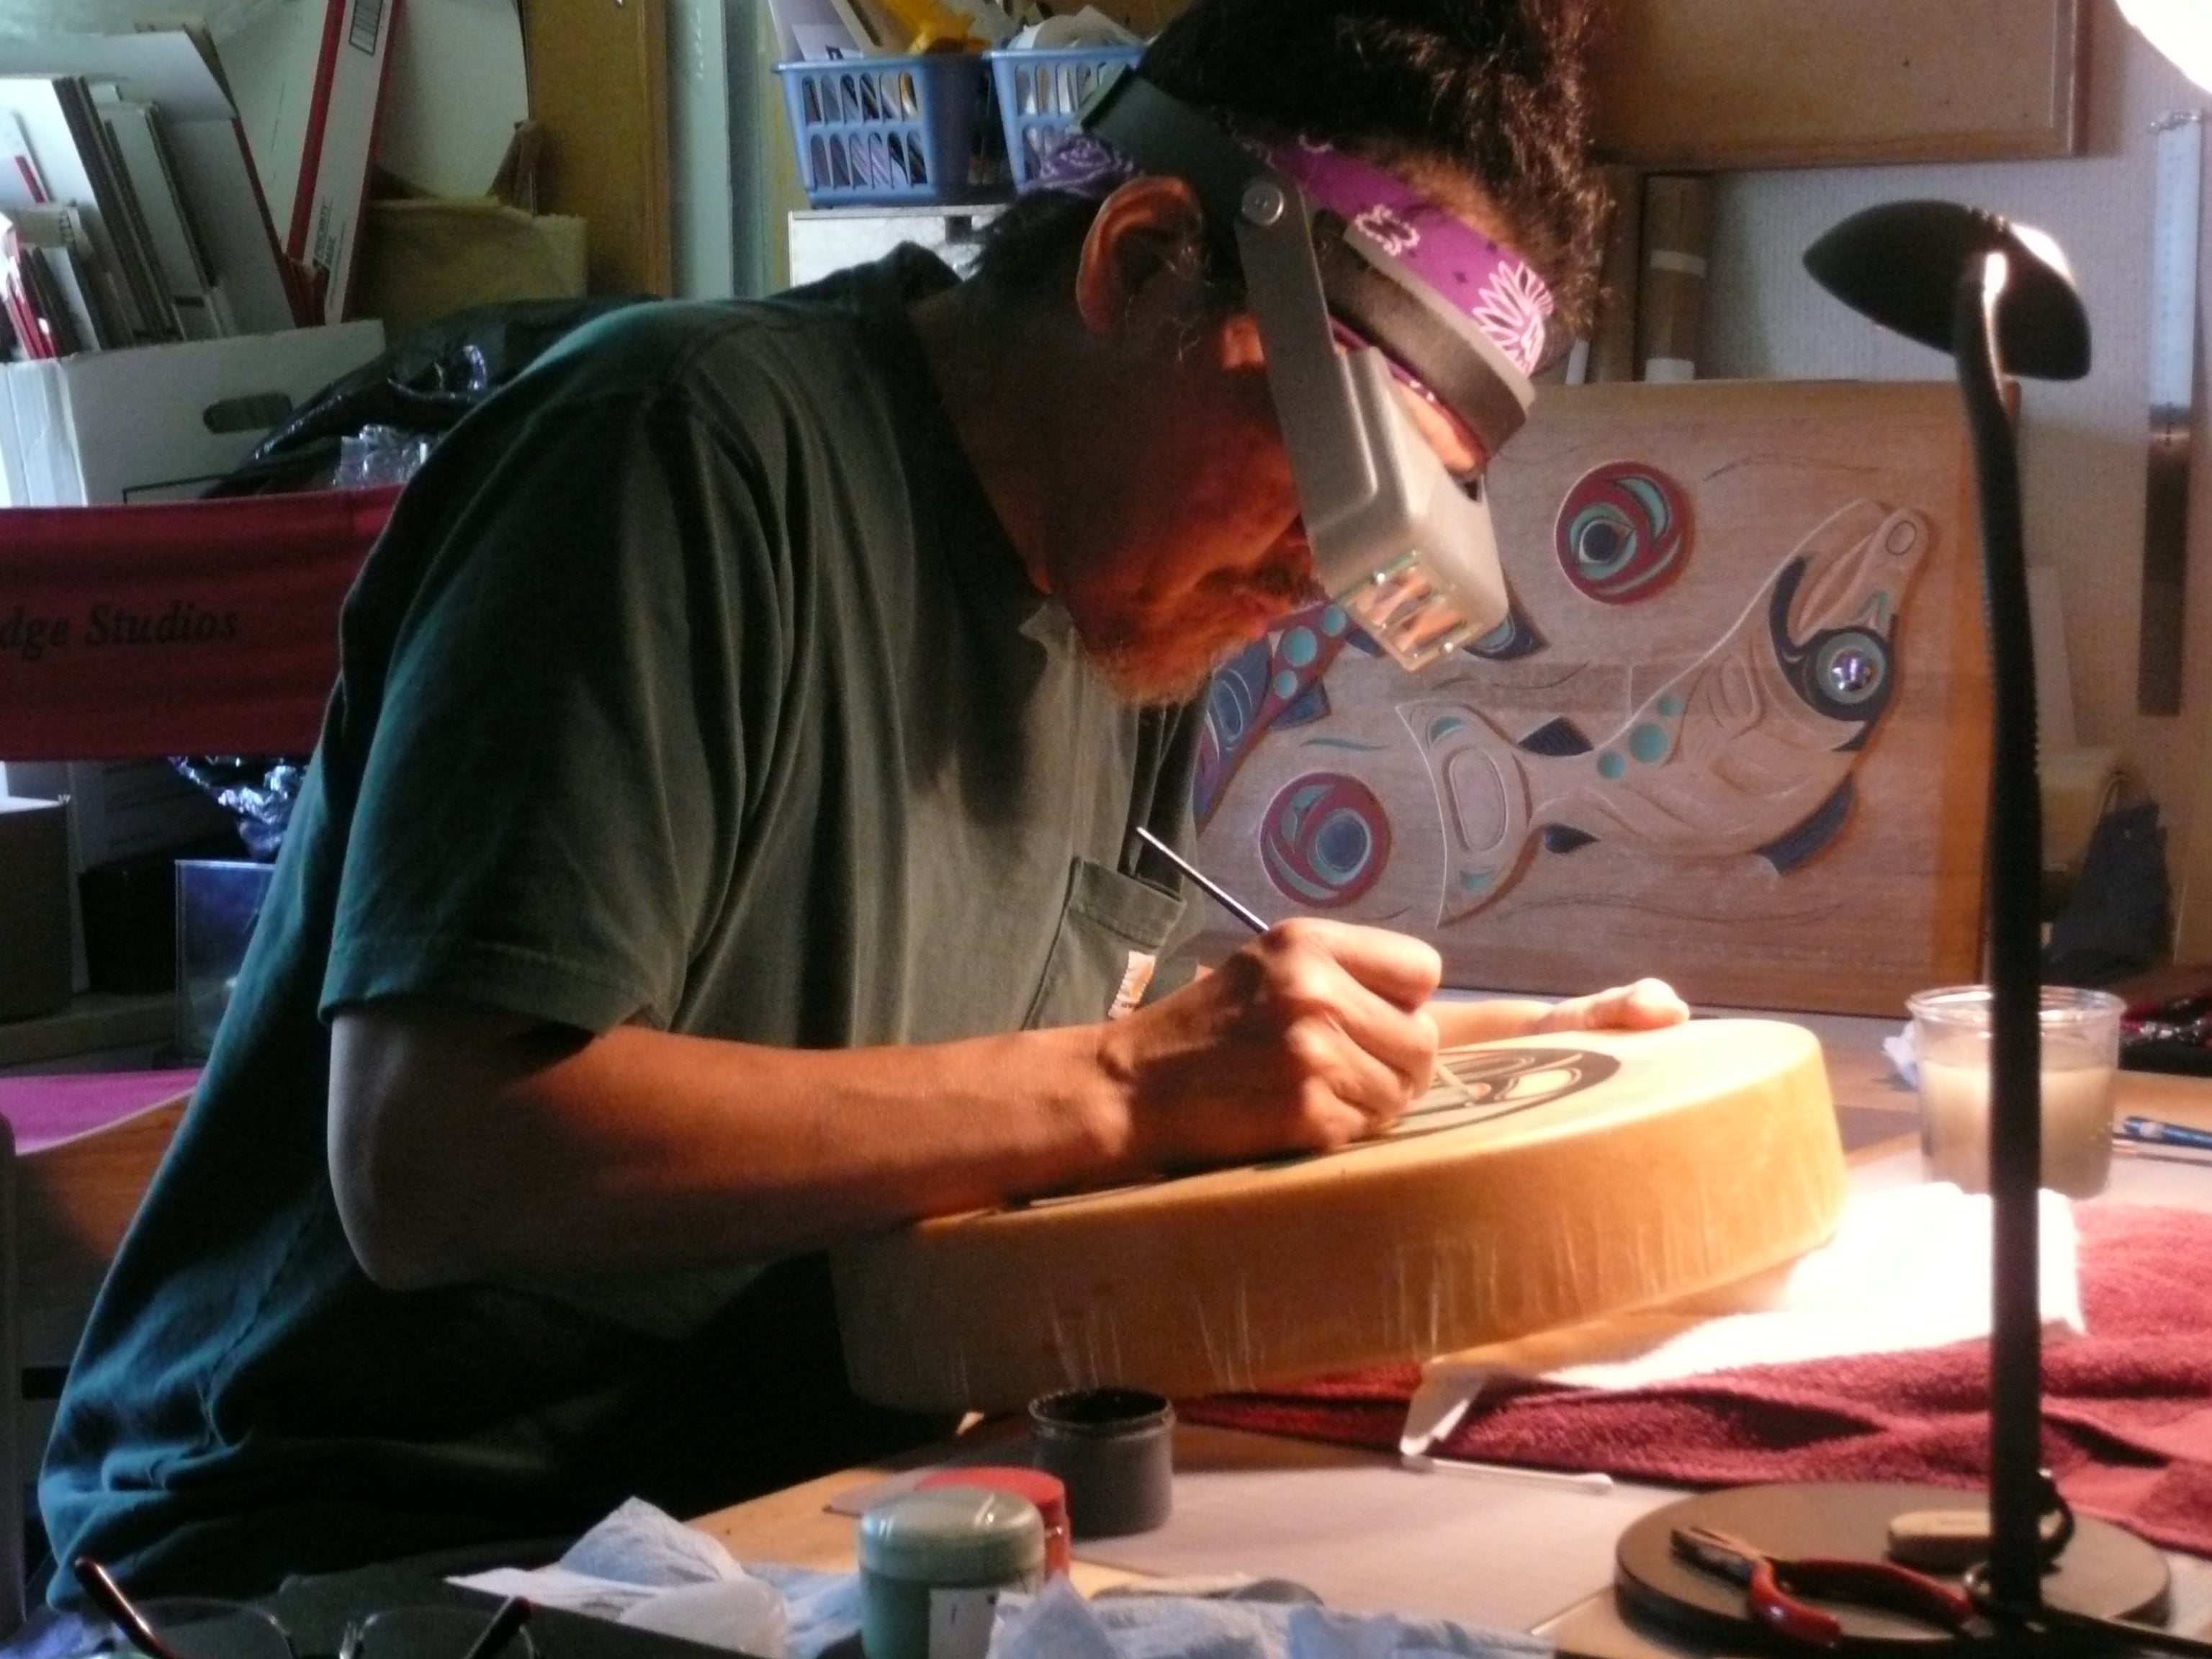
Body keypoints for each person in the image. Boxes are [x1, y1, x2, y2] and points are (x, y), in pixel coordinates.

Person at [39, 0, 1686, 1610]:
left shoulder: (1130, 622)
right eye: (1324, 474)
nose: (1321, 576)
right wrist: (1133, 1086)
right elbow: (430, 1157)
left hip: (780, 1533)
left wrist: (1423, 1068)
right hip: (356, 1566)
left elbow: (964, 1092)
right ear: (1139, 262)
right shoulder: (676, 452)